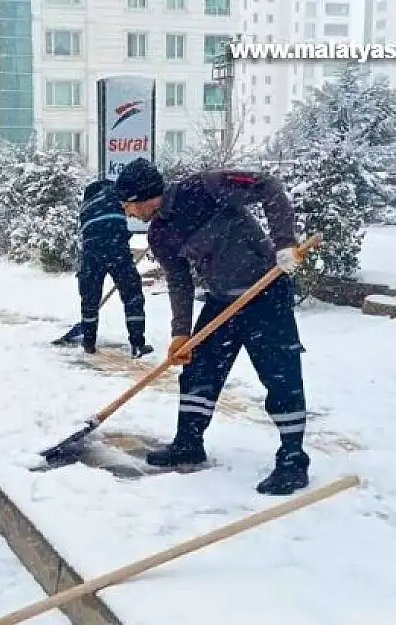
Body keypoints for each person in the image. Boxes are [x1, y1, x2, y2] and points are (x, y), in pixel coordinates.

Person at [113, 157, 309, 496]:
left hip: (265, 290)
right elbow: (179, 281)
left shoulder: (202, 188)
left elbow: (267, 185)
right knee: (198, 370)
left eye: (128, 205)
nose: (128, 213)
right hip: (222, 300)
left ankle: (293, 460)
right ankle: (188, 444)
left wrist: (284, 243)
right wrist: (180, 333)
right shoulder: (160, 233)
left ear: (143, 196)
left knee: (280, 374)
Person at [75, 178, 152, 358]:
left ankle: (88, 342)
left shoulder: (85, 208)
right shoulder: (118, 195)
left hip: (92, 253)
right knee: (132, 294)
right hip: (117, 248)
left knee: (90, 298)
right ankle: (137, 343)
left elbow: (86, 235)